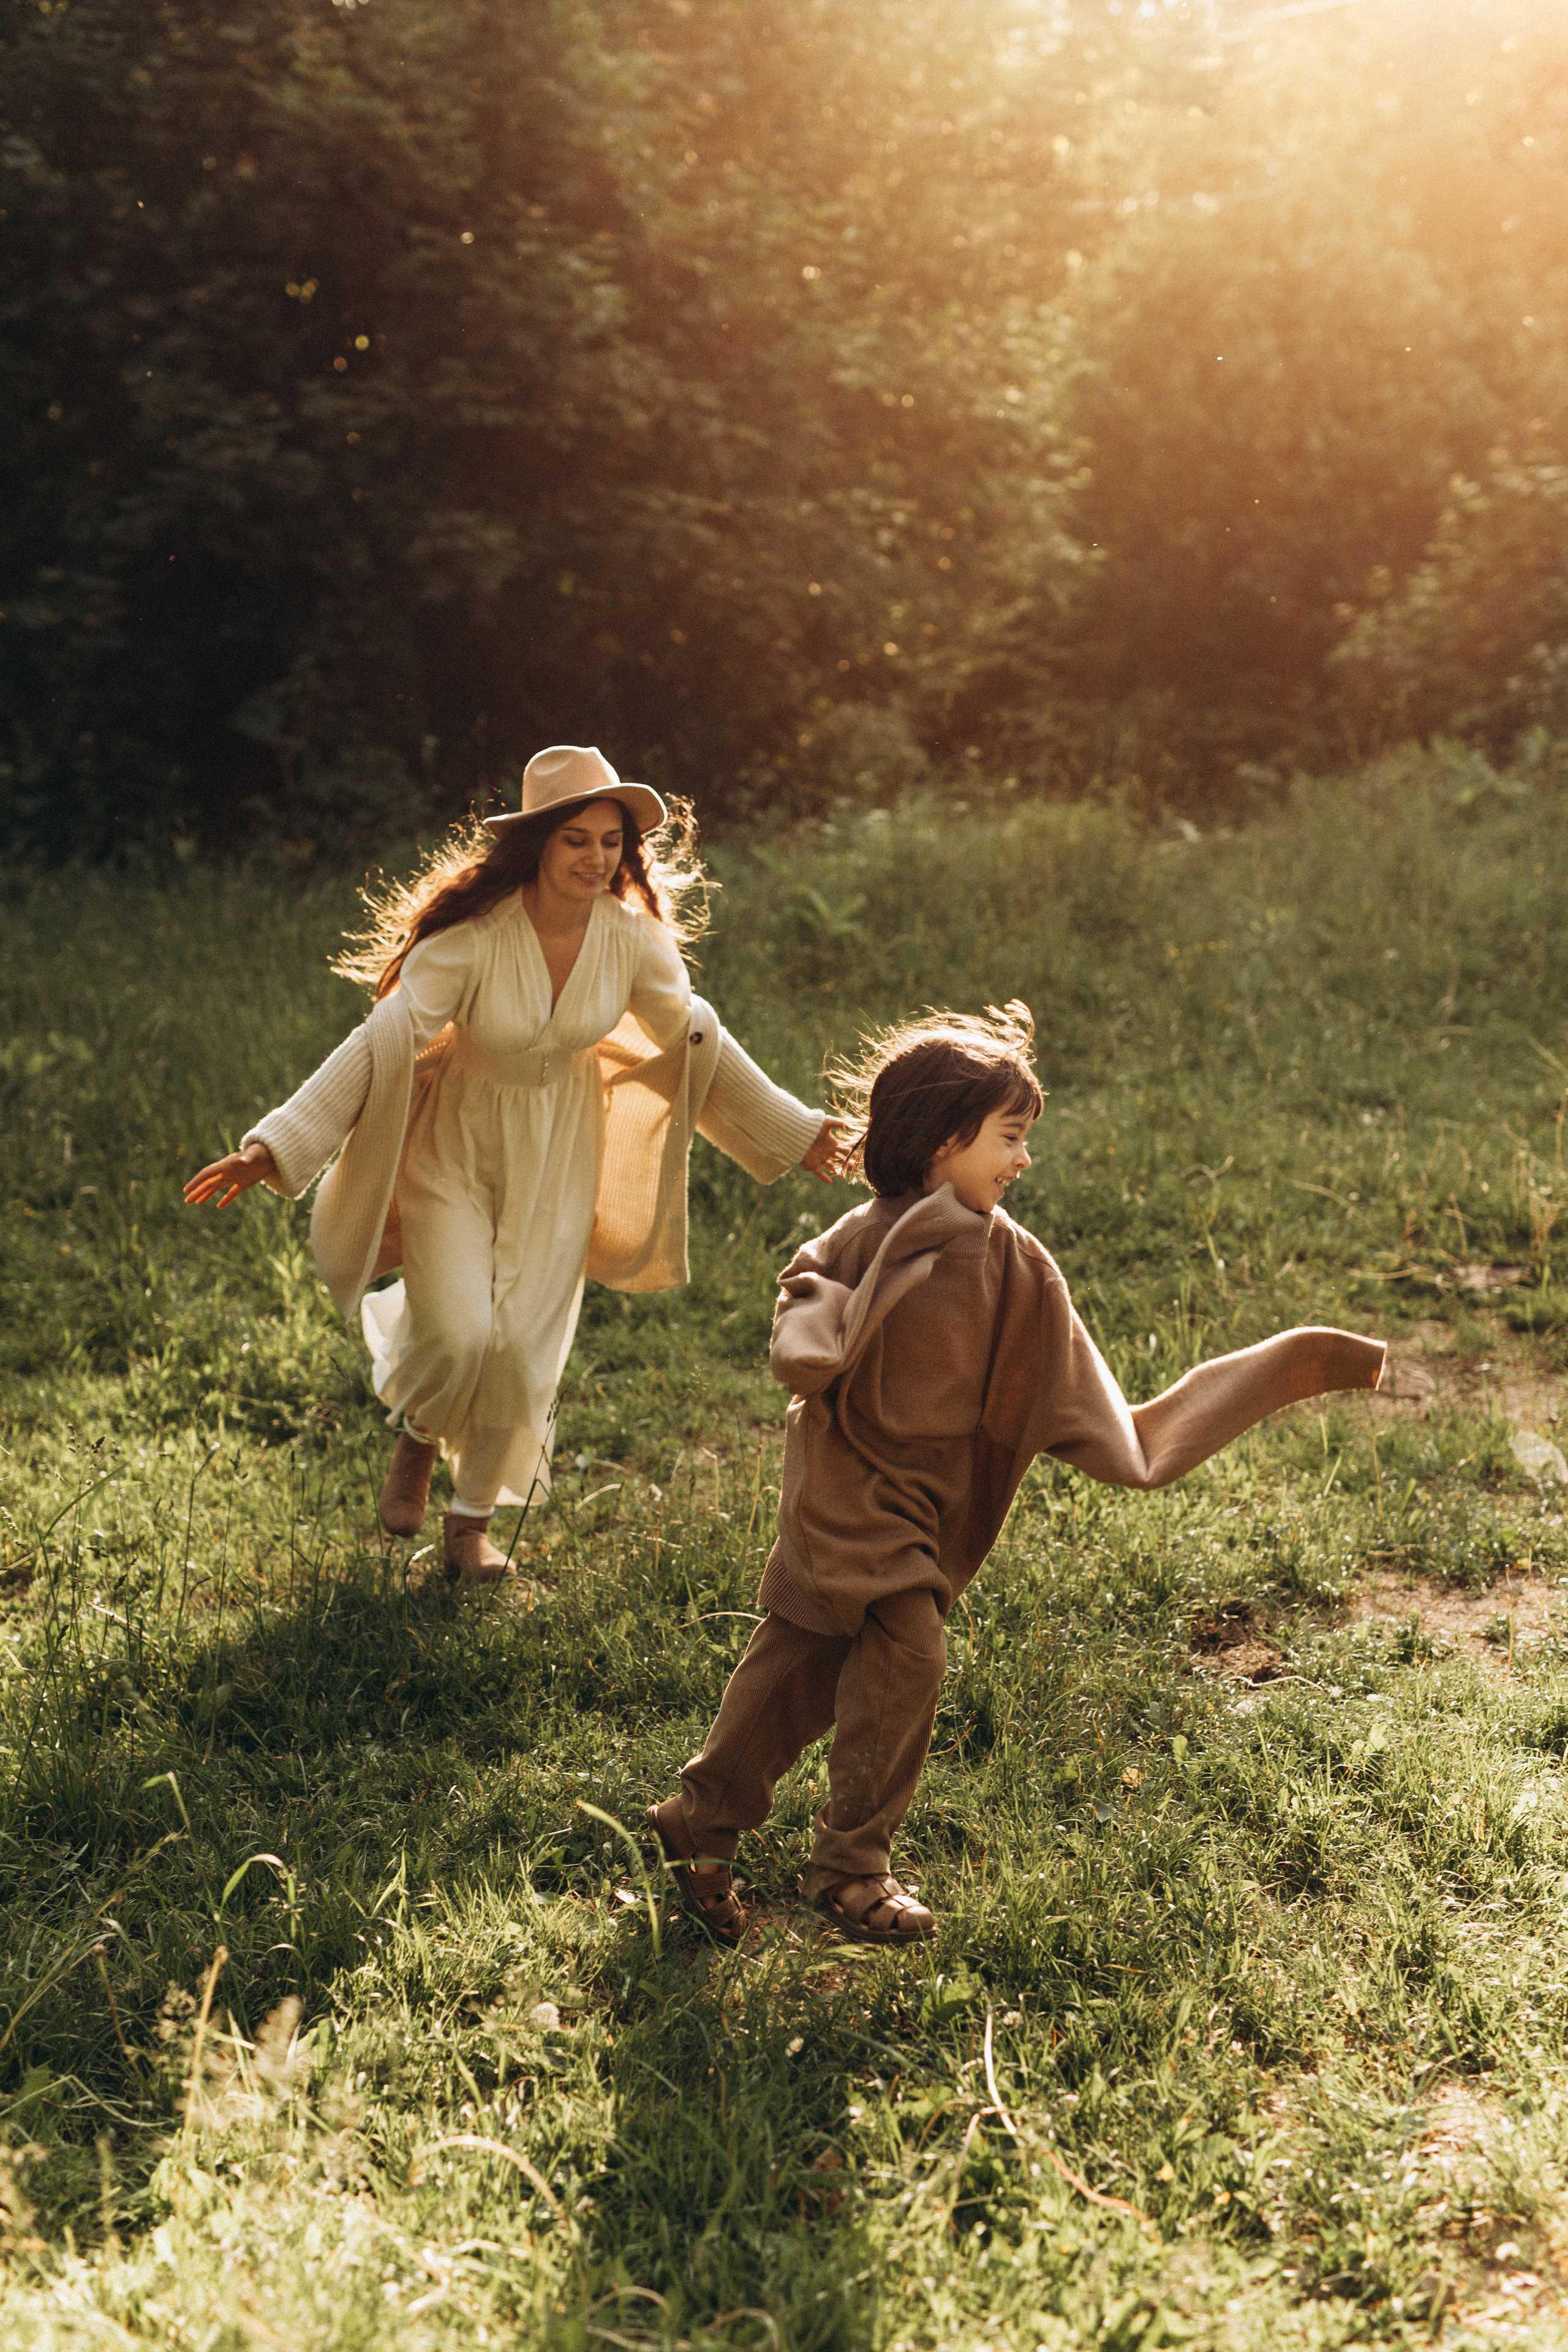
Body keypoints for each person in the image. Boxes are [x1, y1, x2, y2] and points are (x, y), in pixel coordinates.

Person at [648, 1002, 1385, 1947]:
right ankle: (852, 1867)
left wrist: (1279, 1375)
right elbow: (807, 1307)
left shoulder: (1015, 1261)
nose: (1023, 1160)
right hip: (845, 1488)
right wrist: (817, 1335)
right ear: (941, 1139)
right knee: (908, 1654)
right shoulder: (862, 1237)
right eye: (1010, 1137)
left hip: (929, 1501)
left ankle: (701, 1823)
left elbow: (1081, 1387)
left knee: (795, 1666)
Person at [186, 745, 839, 1580]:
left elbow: (694, 1038)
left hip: (561, 1154)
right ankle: (421, 1435)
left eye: (610, 842)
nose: (596, 859)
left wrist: (794, 1128)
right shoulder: (474, 938)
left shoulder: (631, 942)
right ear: (536, 846)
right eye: (576, 839)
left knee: (524, 1350)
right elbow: (384, 1039)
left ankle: (469, 1528)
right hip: (455, 1149)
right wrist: (271, 1145)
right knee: (460, 1330)